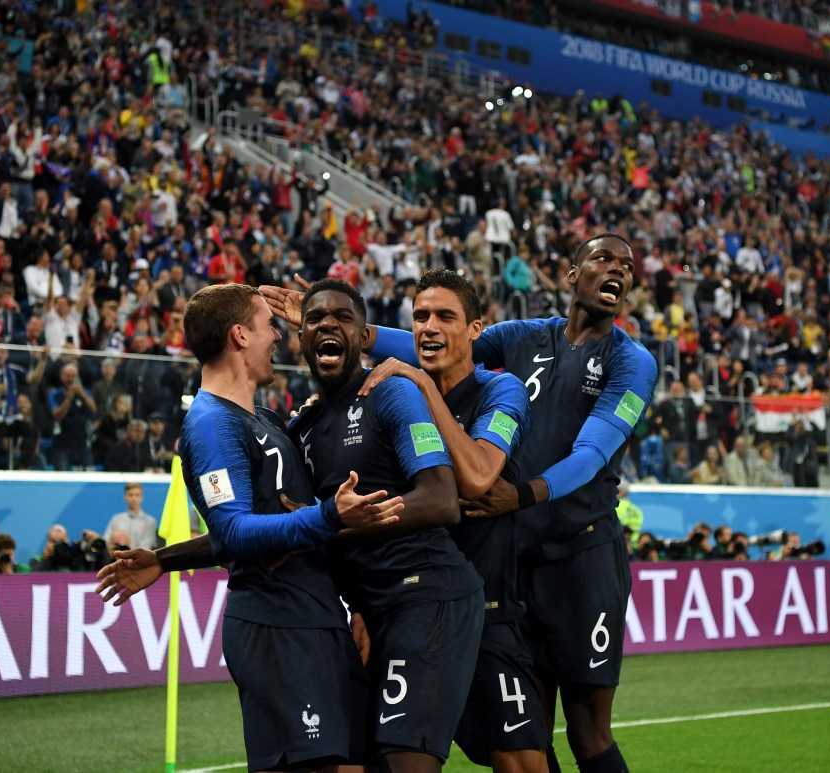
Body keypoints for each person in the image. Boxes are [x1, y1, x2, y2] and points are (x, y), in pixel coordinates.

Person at [263, 233, 658, 772]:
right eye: (603, 258)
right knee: (531, 738)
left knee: (588, 729)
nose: (617, 269)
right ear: (571, 275)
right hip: (512, 564)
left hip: (581, 554)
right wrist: (351, 332)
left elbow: (593, 453)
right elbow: (440, 344)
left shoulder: (632, 362)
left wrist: (522, 494)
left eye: (626, 265)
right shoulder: (520, 339)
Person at [97, 283, 403, 773]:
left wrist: (165, 559)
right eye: (268, 326)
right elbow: (236, 532)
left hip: (318, 620)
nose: (278, 337)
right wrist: (329, 515)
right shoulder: (210, 426)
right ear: (240, 336)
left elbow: (251, 523)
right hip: (276, 628)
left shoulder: (263, 417)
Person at [290, 279, 484, 772]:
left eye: (342, 318)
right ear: (301, 338)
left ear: (362, 336)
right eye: (314, 319)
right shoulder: (304, 427)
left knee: (406, 762)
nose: (328, 325)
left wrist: (337, 525)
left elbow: (442, 501)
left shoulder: (391, 393)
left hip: (428, 594)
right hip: (372, 611)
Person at [356, 269, 546, 772]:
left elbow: (481, 475)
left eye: (445, 316)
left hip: (489, 611)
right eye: (420, 316)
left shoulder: (500, 392)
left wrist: (424, 385)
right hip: (410, 611)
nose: (428, 326)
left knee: (525, 764)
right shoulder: (391, 398)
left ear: (476, 329)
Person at [103, 482, 159, 550]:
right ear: (125, 497)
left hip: (139, 559)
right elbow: (107, 541)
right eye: (130, 495)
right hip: (117, 557)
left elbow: (146, 547)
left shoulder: (150, 522)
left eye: (137, 495)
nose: (133, 498)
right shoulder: (116, 519)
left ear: (142, 497)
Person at [614, 482, 643, 555]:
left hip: (621, 546)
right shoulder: (637, 510)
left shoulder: (616, 507)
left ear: (621, 491)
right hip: (634, 546)